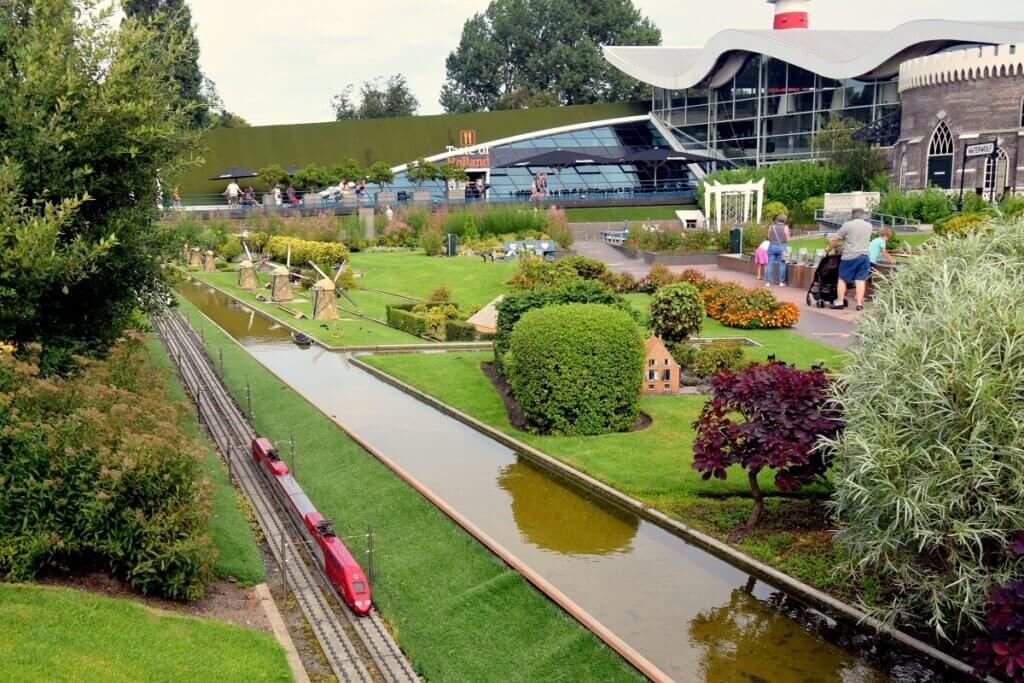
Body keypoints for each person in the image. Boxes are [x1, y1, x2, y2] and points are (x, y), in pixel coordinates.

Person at [829, 208, 874, 311]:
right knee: (860, 280)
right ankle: (859, 304)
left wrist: (829, 248)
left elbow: (836, 239)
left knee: (842, 278)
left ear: (852, 215)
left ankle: (840, 302)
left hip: (850, 256)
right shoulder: (869, 226)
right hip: (864, 256)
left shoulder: (847, 225)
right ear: (863, 215)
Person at [765, 213, 790, 287]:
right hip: (782, 247)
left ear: (777, 219)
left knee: (769, 264)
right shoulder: (785, 227)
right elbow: (788, 238)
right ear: (784, 220)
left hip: (772, 246)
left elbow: (768, 237)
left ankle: (768, 282)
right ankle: (781, 282)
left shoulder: (771, 227)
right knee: (782, 264)